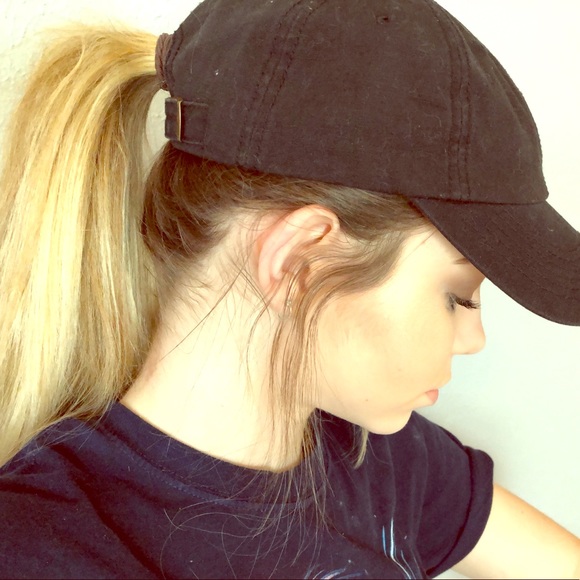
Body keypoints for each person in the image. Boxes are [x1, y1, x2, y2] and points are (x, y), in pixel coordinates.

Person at [0, 0, 579, 577]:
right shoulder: (42, 552)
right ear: (301, 262)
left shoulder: (389, 464)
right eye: (458, 295)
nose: (474, 339)